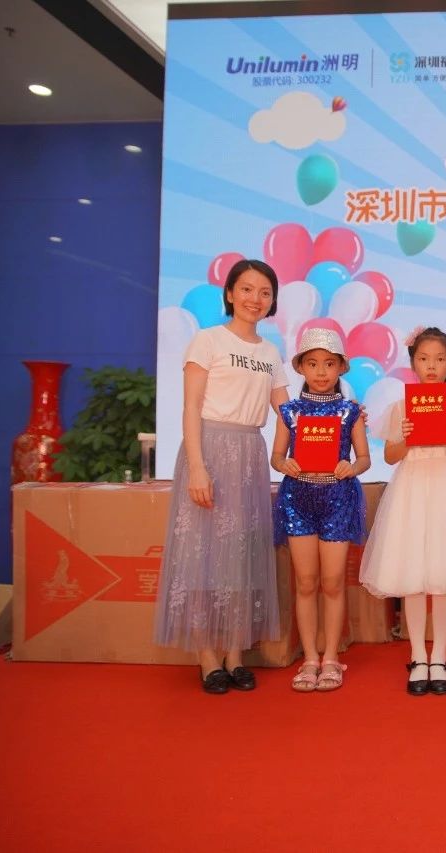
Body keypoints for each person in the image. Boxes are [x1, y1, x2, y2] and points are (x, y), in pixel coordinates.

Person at [153, 259, 289, 694]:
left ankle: (234, 653)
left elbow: (287, 413)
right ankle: (207, 657)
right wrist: (197, 466)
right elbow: (191, 407)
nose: (255, 299)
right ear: (230, 293)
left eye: (264, 292)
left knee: (240, 558)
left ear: (272, 301)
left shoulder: (271, 353)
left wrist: (341, 417)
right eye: (246, 289)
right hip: (209, 450)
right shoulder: (207, 340)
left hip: (250, 455)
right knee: (203, 556)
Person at [359, 326, 446, 696]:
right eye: (423, 359)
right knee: (413, 577)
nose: (431, 366)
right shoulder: (400, 407)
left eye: (439, 359)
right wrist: (404, 436)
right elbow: (390, 456)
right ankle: (418, 655)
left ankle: (440, 656)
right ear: (413, 362)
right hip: (412, 491)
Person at [270, 328, 370, 693]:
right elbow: (276, 456)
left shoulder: (350, 411)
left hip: (338, 500)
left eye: (329, 364)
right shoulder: (289, 412)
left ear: (341, 367)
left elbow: (364, 459)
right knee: (306, 582)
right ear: (300, 368)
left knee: (332, 582)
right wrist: (284, 464)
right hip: (298, 500)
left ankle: (330, 658)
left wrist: (351, 467)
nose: (321, 371)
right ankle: (309, 658)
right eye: (312, 364)